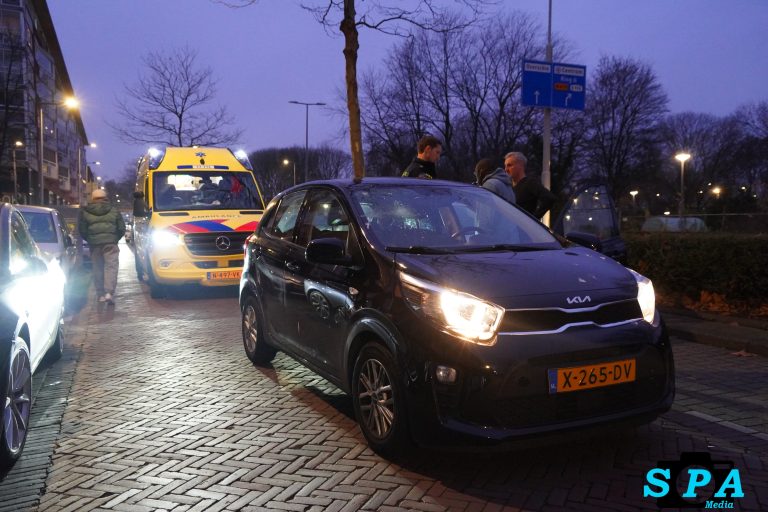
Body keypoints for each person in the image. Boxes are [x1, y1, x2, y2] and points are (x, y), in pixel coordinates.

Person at [78, 189, 125, 305]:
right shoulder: (114, 210)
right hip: (110, 243)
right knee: (111, 267)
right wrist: (114, 238)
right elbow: (121, 228)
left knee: (97, 267)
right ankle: (109, 292)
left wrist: (90, 239)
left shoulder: (85, 212)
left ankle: (100, 295)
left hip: (94, 244)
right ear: (105, 198)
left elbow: (82, 230)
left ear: (93, 199)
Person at [504, 152, 556, 218]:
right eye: (505, 166)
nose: (506, 169)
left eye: (509, 165)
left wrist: (534, 218)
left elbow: (550, 198)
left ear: (520, 165)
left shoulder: (530, 183)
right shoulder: (509, 186)